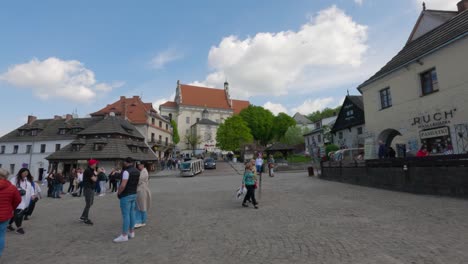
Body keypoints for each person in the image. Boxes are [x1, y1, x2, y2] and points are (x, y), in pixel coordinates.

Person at [114, 157, 140, 242]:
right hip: (134, 194)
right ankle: (131, 232)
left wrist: (119, 192)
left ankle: (124, 235)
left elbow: (123, 185)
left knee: (126, 215)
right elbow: (136, 183)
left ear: (126, 162)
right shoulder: (137, 171)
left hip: (126, 195)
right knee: (132, 213)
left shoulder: (126, 172)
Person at [0, 168, 21, 256]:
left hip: (5, 214)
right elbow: (18, 200)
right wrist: (11, 208)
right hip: (5, 215)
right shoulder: (12, 188)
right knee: (1, 236)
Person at [8, 168, 34, 234]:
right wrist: (18, 191)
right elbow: (10, 188)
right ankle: (19, 228)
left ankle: (8, 225)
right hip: (17, 200)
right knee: (19, 214)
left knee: (15, 214)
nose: (26, 174)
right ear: (20, 172)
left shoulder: (27, 180)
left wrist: (32, 195)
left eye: (27, 173)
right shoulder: (14, 179)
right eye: (24, 173)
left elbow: (31, 188)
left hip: (25, 200)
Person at [80, 160, 99, 225]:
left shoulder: (92, 171)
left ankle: (83, 216)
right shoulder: (88, 170)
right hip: (88, 188)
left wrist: (96, 174)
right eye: (95, 163)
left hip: (91, 188)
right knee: (88, 203)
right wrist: (98, 173)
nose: (96, 165)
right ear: (92, 164)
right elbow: (95, 179)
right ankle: (86, 219)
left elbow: (94, 179)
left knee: (91, 203)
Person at [135, 161, 151, 228]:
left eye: (139, 165)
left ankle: (140, 221)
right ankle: (142, 220)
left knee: (141, 205)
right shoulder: (143, 171)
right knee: (141, 205)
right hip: (141, 189)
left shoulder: (144, 172)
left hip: (142, 190)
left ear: (143, 165)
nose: (138, 166)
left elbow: (138, 180)